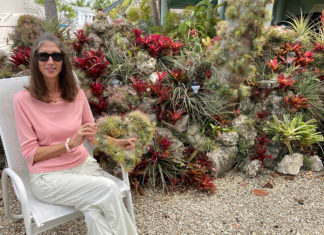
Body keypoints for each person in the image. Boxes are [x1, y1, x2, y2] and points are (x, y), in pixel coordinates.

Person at [14, 32, 138, 235]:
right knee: (108, 189)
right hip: (49, 178)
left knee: (94, 212)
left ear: (63, 60)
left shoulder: (76, 95)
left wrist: (117, 143)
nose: (50, 61)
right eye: (43, 56)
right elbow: (30, 153)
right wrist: (70, 144)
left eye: (56, 56)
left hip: (84, 169)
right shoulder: (23, 100)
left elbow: (92, 135)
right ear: (36, 61)